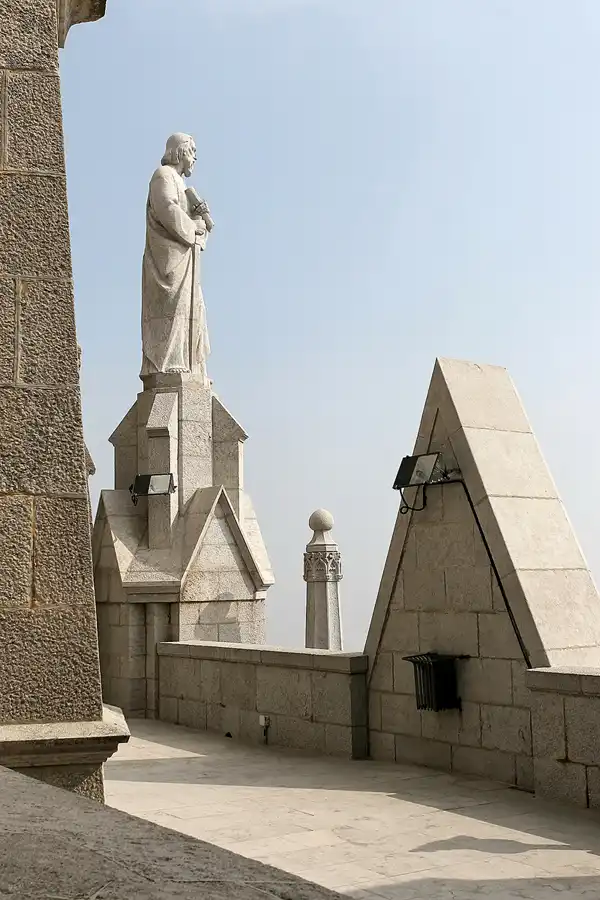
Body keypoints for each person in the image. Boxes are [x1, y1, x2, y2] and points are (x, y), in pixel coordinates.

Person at [140, 133, 211, 380]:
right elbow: (167, 209)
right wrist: (194, 227)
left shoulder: (182, 184)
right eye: (192, 151)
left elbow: (193, 223)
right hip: (168, 261)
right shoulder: (163, 176)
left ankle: (192, 364)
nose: (195, 158)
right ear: (180, 152)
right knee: (173, 309)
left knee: (194, 309)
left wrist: (202, 224)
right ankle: (169, 363)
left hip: (188, 261)